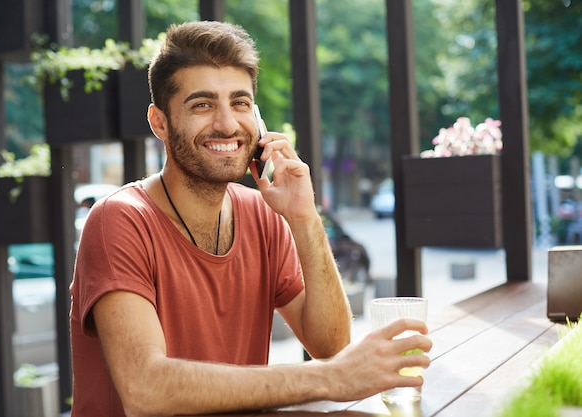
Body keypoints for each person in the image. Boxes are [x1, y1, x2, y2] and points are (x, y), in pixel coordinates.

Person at [69, 20, 432, 417]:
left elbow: (330, 346)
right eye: (203, 104)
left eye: (239, 103)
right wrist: (328, 378)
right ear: (159, 122)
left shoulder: (262, 214)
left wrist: (305, 217)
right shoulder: (118, 220)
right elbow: (146, 391)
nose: (226, 123)